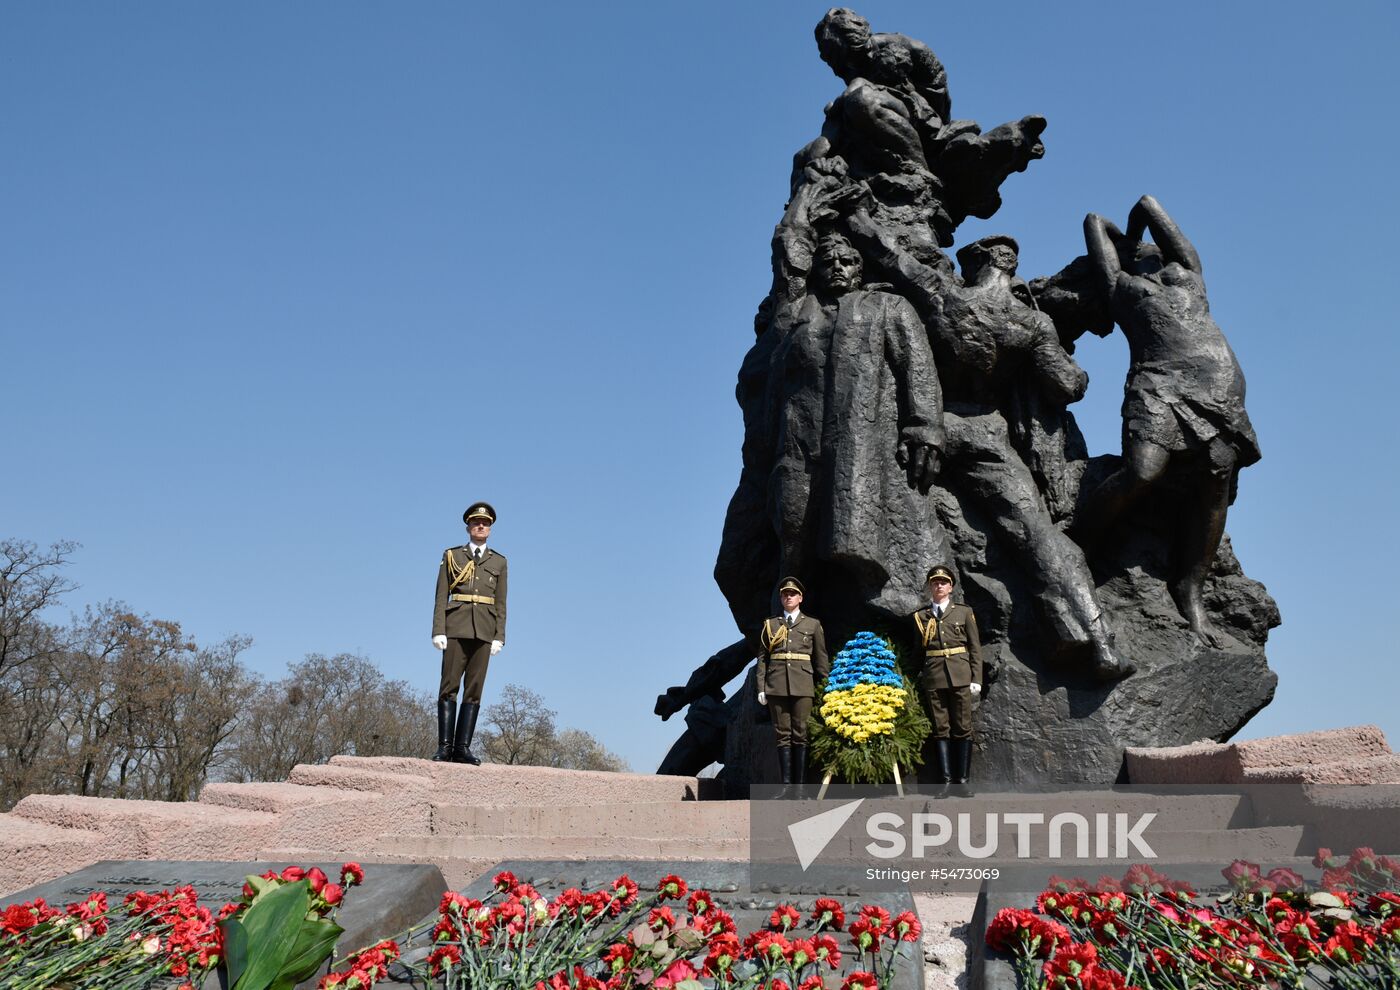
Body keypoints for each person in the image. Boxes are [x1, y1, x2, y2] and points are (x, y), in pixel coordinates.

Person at [1079, 196, 1261, 647]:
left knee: (1215, 486)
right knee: (1143, 471)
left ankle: (1190, 591)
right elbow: (1094, 221)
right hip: (1157, 383)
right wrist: (1126, 242)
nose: (1152, 254)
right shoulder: (1120, 286)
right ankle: (1079, 546)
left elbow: (1149, 206)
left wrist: (1139, 225)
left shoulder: (1189, 276)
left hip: (1216, 387)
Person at [431, 502, 507, 764]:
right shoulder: (452, 556)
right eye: (476, 522)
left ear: (490, 528)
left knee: (474, 690)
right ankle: (444, 747)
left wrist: (500, 635)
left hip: (484, 631)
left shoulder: (499, 561)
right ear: (468, 527)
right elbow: (441, 595)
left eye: (485, 523)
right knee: (448, 687)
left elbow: (501, 602)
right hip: (456, 627)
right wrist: (438, 630)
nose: (481, 526)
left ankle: (462, 748)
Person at [756, 577, 830, 797]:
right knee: (782, 735)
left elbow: (821, 658)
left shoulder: (812, 624)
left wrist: (825, 685)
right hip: (776, 684)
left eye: (792, 594)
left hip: (803, 683)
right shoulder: (770, 625)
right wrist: (761, 686)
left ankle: (799, 787)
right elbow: (762, 658)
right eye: (784, 594)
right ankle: (786, 785)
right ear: (781, 598)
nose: (788, 597)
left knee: (801, 734)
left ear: (800, 598)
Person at [912, 565, 982, 793]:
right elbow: (917, 652)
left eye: (943, 582)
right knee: (941, 729)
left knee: (963, 727)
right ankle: (946, 781)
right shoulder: (920, 616)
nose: (939, 585)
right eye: (935, 582)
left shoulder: (963, 612)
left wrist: (976, 678)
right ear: (930, 586)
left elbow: (974, 647)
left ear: (951, 587)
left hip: (961, 676)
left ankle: (962, 782)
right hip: (934, 677)